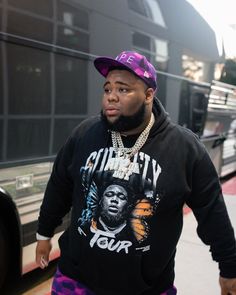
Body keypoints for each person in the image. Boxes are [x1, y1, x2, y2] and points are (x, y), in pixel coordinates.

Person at [36, 50, 236, 295]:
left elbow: (211, 210)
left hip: (146, 287)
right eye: (107, 89)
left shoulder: (184, 148)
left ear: (149, 94)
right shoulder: (85, 134)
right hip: (76, 280)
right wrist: (44, 233)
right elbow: (59, 187)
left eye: (123, 89)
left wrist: (229, 267)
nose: (111, 97)